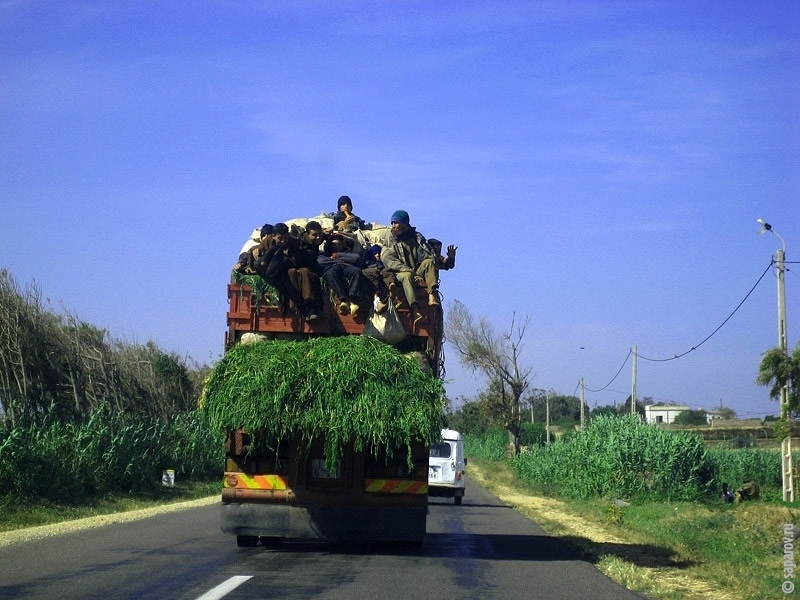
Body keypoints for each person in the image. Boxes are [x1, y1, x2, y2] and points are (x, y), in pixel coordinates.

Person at [255, 222, 323, 321]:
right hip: (277, 272)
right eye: (280, 238)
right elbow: (254, 254)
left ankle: (310, 306)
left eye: (285, 238)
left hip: (292, 266)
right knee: (290, 273)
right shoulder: (266, 243)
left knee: (305, 272)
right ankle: (293, 305)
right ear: (273, 236)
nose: (283, 241)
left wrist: (287, 260)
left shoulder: (294, 242)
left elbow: (298, 259)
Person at [380, 210, 440, 319]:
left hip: (416, 272)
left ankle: (431, 295)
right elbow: (387, 258)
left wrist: (445, 260)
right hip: (399, 272)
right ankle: (414, 309)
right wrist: (405, 269)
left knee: (429, 262)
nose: (393, 226)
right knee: (407, 275)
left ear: (405, 224)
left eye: (396, 223)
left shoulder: (417, 237)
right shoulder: (391, 238)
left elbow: (428, 254)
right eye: (392, 223)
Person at [317, 233, 366, 315]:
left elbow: (356, 258)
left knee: (356, 271)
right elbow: (320, 261)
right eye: (334, 244)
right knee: (330, 274)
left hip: (346, 267)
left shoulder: (348, 253)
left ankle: (352, 297)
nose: (336, 246)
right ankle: (343, 299)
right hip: (333, 267)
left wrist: (337, 255)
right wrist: (339, 261)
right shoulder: (325, 254)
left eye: (339, 244)